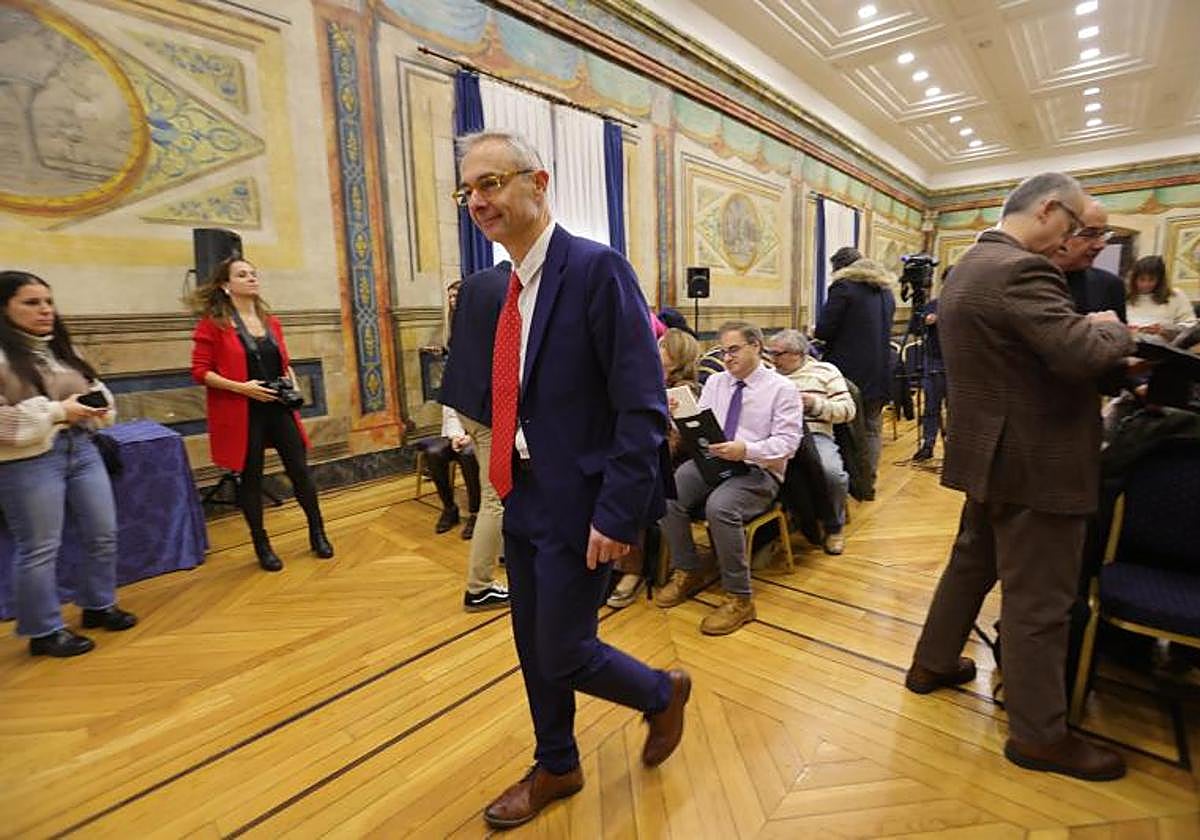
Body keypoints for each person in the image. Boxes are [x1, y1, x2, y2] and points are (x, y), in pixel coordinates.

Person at [453, 130, 689, 830]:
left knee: (564, 648)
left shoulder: (596, 268)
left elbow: (642, 405)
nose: (478, 200)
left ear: (539, 182)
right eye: (468, 190)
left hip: (584, 502)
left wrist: (617, 516)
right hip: (522, 491)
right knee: (531, 644)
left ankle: (660, 691)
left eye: (491, 183)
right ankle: (557, 762)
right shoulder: (500, 288)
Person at [905, 172, 1135, 781]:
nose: (1074, 242)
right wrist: (1114, 325)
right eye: (1075, 227)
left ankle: (931, 662)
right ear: (1049, 210)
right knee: (1040, 603)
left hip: (991, 456)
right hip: (1040, 464)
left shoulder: (966, 267)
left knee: (971, 564)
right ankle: (1038, 735)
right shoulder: (1021, 269)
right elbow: (1080, 353)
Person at [0, 270, 136, 657]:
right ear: (3, 308)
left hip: (82, 449)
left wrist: (96, 406)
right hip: (28, 461)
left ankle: (98, 603)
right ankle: (44, 630)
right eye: (31, 302)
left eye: (48, 301)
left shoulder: (56, 349)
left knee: (102, 533)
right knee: (40, 546)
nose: (45, 310)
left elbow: (95, 391)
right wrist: (59, 410)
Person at [655, 321, 803, 635]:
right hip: (716, 460)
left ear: (757, 347)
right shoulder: (717, 383)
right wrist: (677, 415)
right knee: (666, 491)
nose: (727, 357)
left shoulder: (782, 389)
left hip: (759, 469)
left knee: (720, 507)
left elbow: (788, 445)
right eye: (723, 351)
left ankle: (740, 598)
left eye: (734, 349)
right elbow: (702, 429)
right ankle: (688, 570)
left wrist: (745, 449)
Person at [190, 257, 333, 572]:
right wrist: (242, 388)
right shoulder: (212, 324)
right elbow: (200, 372)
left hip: (278, 408)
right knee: (251, 479)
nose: (252, 278)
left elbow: (282, 361)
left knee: (300, 471)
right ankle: (261, 544)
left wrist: (291, 380)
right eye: (242, 275)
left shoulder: (271, 322)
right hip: (243, 410)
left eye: (254, 273)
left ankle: (317, 531)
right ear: (226, 286)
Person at [607, 327, 701, 609]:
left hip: (670, 467)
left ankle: (632, 570)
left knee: (630, 489)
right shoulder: (646, 381)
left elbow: (678, 445)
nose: (654, 347)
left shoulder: (687, 391)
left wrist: (664, 417)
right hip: (639, 455)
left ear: (676, 355)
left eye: (662, 345)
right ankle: (604, 558)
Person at [439, 262, 511, 612]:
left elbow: (457, 342)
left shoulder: (475, 283)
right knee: (494, 497)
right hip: (490, 409)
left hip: (464, 400)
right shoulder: (511, 288)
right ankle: (479, 586)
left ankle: (506, 553)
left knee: (501, 490)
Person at [766, 329, 855, 554]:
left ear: (797, 353)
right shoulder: (768, 374)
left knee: (832, 473)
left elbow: (848, 410)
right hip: (774, 434)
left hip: (814, 433)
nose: (772, 359)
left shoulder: (825, 371)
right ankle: (770, 533)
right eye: (770, 353)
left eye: (778, 354)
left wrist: (814, 405)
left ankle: (833, 527)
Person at [814, 255, 895, 498]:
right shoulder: (885, 291)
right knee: (872, 429)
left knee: (845, 432)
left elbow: (824, 330)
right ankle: (867, 485)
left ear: (840, 267)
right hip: (880, 371)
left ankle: (846, 487)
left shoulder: (844, 288)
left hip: (849, 374)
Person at [1051, 197, 1126, 322]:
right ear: (1058, 233)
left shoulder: (1110, 285)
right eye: (1090, 234)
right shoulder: (1022, 280)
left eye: (1103, 234)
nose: (1101, 245)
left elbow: (1120, 338)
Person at [423, 406, 481, 536]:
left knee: (468, 454)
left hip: (482, 435)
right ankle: (449, 508)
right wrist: (456, 436)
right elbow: (451, 414)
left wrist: (472, 437)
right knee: (434, 453)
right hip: (456, 434)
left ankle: (476, 513)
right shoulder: (455, 386)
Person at [1126, 255, 1195, 338]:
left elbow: (1191, 326)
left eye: (1151, 280)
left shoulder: (1175, 296)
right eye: (1142, 279)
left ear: (1159, 280)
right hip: (1128, 345)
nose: (1145, 284)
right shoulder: (1124, 296)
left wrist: (1164, 330)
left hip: (1162, 347)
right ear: (1134, 279)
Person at [912, 290, 945, 462]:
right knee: (931, 406)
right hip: (934, 360)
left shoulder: (965, 304)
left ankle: (956, 447)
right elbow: (915, 327)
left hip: (958, 361)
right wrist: (925, 320)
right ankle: (928, 444)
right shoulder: (933, 304)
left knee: (957, 409)